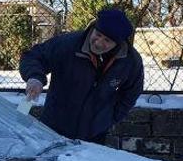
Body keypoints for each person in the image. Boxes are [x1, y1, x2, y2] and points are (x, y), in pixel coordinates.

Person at [19, 8, 144, 144]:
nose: (99, 42)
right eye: (98, 34)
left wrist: (110, 117)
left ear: (118, 43)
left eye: (107, 40)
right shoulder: (67, 45)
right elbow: (33, 56)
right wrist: (35, 77)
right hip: (53, 127)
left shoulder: (129, 61)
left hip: (95, 134)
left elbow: (132, 91)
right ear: (94, 28)